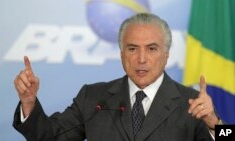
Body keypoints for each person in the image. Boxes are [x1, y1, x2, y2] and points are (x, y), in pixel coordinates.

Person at [13, 13, 221, 141]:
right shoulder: (93, 98)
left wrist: (214, 124)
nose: (141, 59)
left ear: (166, 55)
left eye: (151, 49)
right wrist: (29, 102)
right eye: (132, 49)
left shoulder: (192, 103)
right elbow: (49, 138)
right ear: (122, 54)